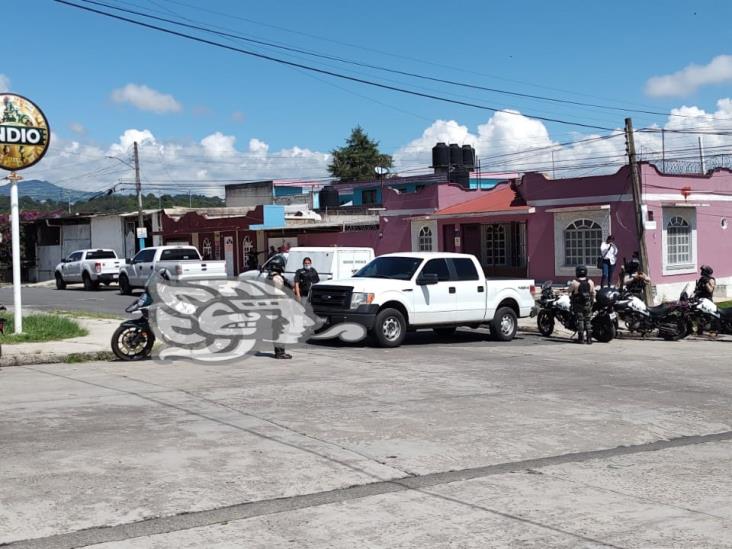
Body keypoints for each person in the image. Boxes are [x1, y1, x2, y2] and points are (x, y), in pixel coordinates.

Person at [267, 258, 292, 359]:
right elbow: (279, 293)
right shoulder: (277, 278)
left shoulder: (269, 277)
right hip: (280, 305)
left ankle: (279, 351)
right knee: (282, 328)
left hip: (275, 305)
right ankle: (280, 352)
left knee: (277, 328)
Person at [569, 265, 596, 344]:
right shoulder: (590, 282)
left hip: (578, 304)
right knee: (588, 320)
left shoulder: (575, 282)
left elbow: (569, 290)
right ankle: (589, 339)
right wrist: (592, 302)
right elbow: (593, 293)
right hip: (587, 304)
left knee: (580, 320)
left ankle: (581, 338)